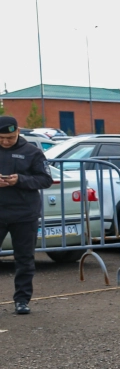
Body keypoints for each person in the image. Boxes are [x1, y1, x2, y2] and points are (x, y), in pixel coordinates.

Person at [0, 116, 52, 315]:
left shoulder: (32, 152)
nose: (5, 142)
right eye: (2, 138)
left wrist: (20, 180)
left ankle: (22, 300)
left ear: (18, 132)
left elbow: (45, 179)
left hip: (24, 214)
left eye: (10, 138)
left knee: (24, 259)